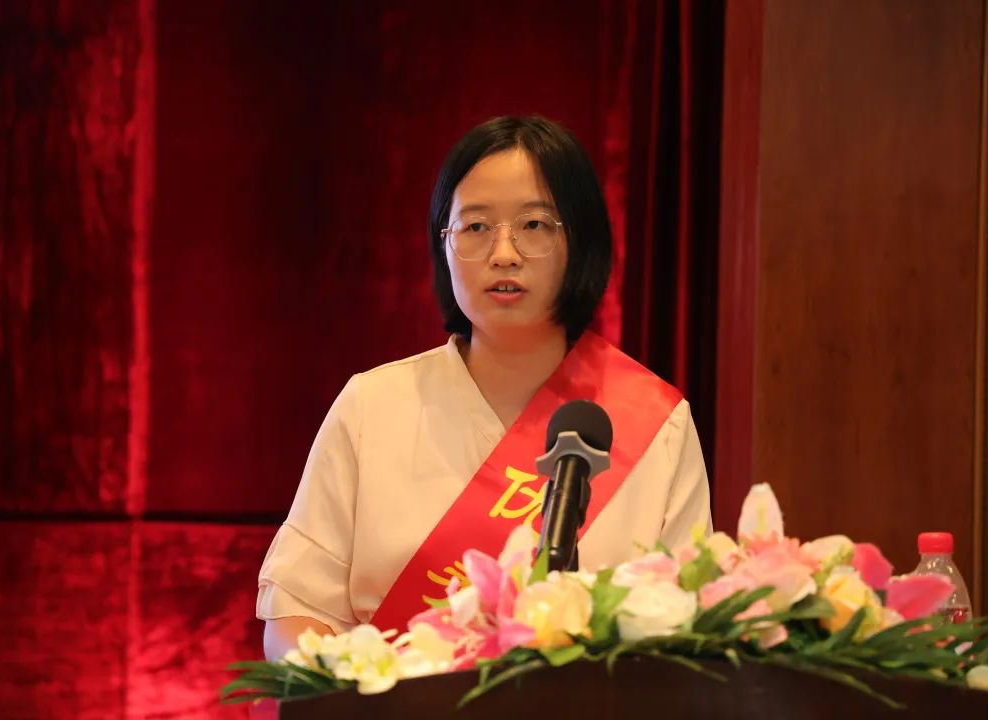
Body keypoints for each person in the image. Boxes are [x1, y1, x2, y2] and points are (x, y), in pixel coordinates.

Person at [258, 116, 711, 660]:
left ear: (581, 240)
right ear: (443, 245)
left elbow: (690, 639)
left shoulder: (657, 425)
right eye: (475, 227)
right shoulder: (372, 407)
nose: (504, 253)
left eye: (534, 225)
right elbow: (297, 613)